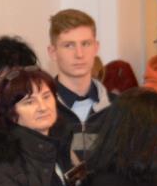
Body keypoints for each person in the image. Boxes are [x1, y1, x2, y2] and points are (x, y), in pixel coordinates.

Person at [47, 9, 114, 164]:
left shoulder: (119, 108)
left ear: (96, 47)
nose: (79, 54)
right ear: (52, 52)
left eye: (86, 44)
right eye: (69, 45)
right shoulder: (40, 112)